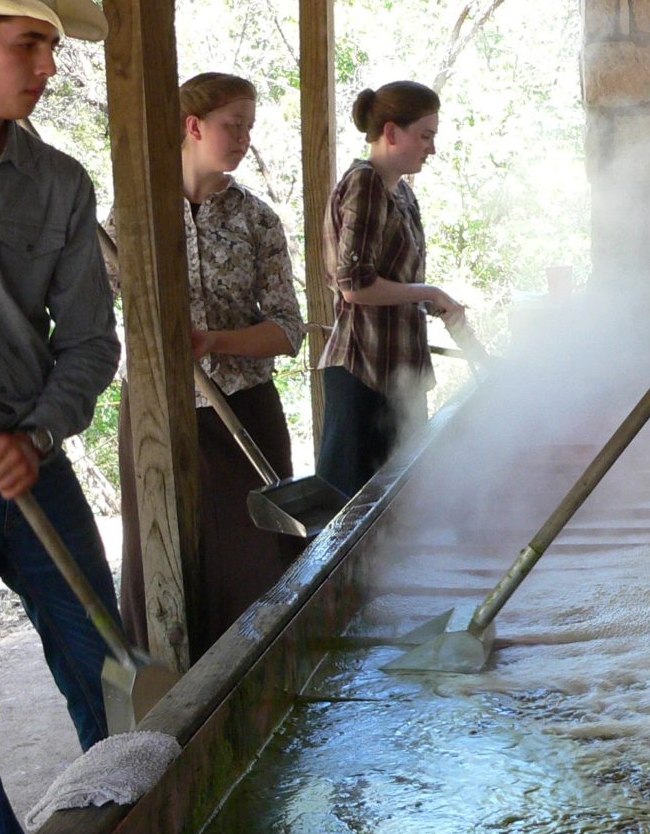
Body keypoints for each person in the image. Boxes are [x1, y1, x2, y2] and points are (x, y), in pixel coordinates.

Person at [0, 0, 121, 834]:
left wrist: (37, 432)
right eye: (28, 43)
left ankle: (130, 831)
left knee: (102, 664)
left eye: (52, 47)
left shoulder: (60, 183)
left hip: (37, 470)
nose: (48, 68)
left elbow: (93, 343)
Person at [107, 72, 305, 661]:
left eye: (249, 126)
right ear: (193, 127)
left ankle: (257, 680)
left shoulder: (257, 220)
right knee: (163, 552)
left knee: (255, 559)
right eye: (232, 125)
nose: (244, 138)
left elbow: (288, 330)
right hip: (155, 415)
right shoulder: (134, 217)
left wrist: (211, 341)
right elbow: (93, 301)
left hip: (243, 411)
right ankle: (171, 690)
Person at [316, 80, 465, 497]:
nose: (431, 149)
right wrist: (430, 293)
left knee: (405, 502)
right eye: (425, 136)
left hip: (401, 370)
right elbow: (355, 286)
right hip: (363, 370)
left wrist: (430, 298)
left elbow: (395, 282)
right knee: (352, 512)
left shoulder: (400, 192)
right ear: (391, 133)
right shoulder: (364, 183)